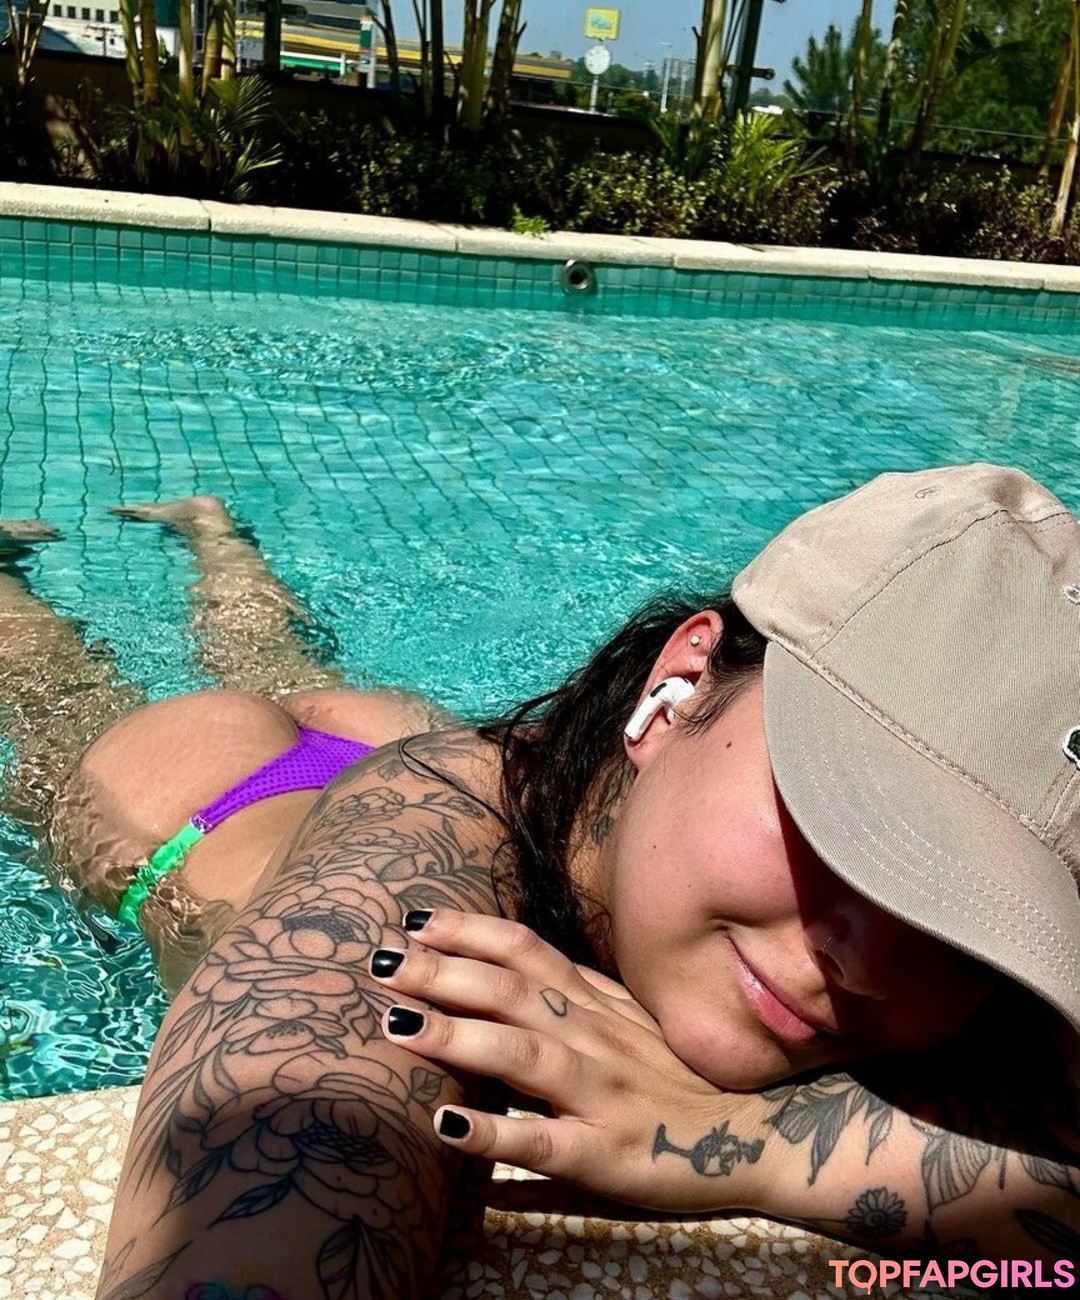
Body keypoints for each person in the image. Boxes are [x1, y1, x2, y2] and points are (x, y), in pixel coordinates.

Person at [77, 464, 1079, 1298]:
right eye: (844, 819)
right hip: (197, 797)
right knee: (46, 672)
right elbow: (289, 1130)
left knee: (283, 652)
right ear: (677, 690)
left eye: (972, 912)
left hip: (467, 753)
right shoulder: (410, 852)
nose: (869, 964)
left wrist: (747, 1138)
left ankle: (212, 529)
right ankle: (111, 553)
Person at [0, 496, 452, 994]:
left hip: (410, 770)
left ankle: (212, 528)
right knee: (56, 697)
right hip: (204, 823)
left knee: (265, 655)